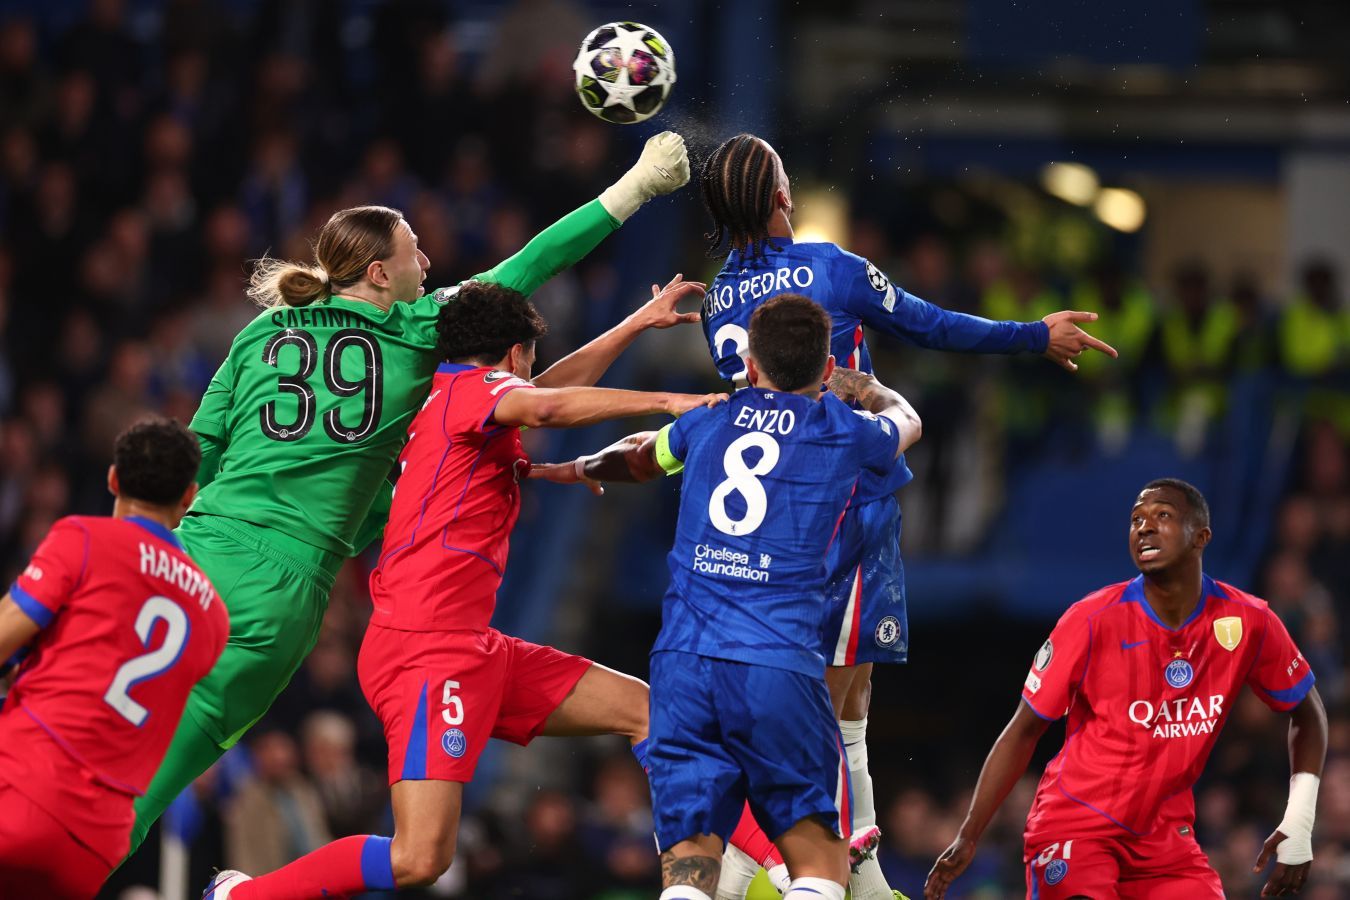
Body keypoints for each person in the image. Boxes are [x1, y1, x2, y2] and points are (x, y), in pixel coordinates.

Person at [125, 131, 692, 857]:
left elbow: (196, 452)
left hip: (193, 551)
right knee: (144, 788)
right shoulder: (414, 330)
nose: (427, 264)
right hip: (284, 582)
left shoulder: (261, 331)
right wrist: (636, 186)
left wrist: (142, 549)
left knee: (92, 729)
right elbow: (532, 264)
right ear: (378, 274)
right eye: (415, 252)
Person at [203, 277, 726, 898]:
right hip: (425, 650)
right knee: (419, 858)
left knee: (647, 711)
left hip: (469, 647)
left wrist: (634, 323)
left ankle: (715, 880)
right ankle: (241, 896)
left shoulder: (452, 398)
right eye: (528, 361)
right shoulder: (473, 393)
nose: (530, 379)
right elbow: (546, 405)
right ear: (513, 355)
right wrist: (671, 401)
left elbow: (542, 394)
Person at [696, 133, 1118, 900]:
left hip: (771, 513)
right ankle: (744, 873)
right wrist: (1034, 335)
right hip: (842, 505)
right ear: (781, 194)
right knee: (820, 707)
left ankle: (860, 873)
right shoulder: (829, 268)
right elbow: (930, 323)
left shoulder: (718, 298)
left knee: (852, 693)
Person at [537, 295, 923, 900]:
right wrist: (868, 389)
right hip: (776, 664)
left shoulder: (707, 419)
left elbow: (638, 457)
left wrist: (582, 467)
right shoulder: (842, 430)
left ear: (749, 364)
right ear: (826, 370)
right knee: (819, 862)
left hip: (683, 664)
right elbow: (909, 421)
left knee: (689, 867)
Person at [924, 478, 1328, 900]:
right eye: (1136, 519)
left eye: (1162, 515)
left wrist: (1299, 823)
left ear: (1201, 537)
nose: (1144, 527)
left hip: (1165, 840)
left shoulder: (1248, 620)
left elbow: (1309, 713)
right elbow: (1024, 730)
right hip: (1076, 827)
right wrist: (969, 834)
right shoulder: (1091, 619)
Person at [0, 417, 228, 898]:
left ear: (112, 479)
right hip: (96, 844)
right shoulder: (212, 614)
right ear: (189, 496)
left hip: (22, 786)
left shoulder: (84, 538)